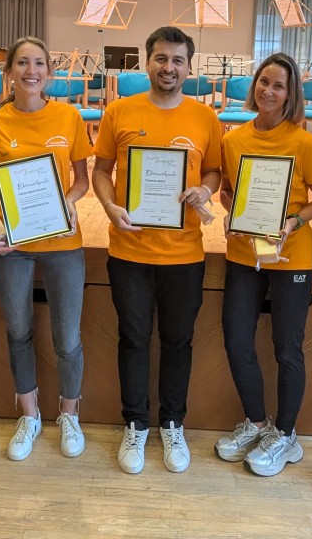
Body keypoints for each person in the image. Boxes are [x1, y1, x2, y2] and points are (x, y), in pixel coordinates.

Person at [92, 25, 223, 475]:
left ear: (189, 67)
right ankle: (135, 424)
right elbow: (101, 170)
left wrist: (205, 191)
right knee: (132, 339)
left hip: (184, 254)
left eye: (178, 60)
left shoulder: (205, 117)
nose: (169, 67)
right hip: (129, 250)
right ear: (146, 62)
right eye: (161, 58)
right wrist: (109, 206)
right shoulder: (119, 111)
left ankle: (172, 423)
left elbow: (214, 172)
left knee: (178, 341)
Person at [0, 37, 92, 461]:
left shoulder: (69, 117)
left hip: (63, 242)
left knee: (68, 337)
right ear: (9, 72)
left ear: (49, 73)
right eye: (22, 63)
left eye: (39, 63)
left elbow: (82, 180)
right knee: (18, 331)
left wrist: (70, 202)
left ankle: (69, 415)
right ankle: (29, 414)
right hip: (13, 248)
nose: (31, 71)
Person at [215, 53, 312, 476]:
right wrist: (230, 212)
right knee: (237, 341)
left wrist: (295, 221)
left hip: (289, 256)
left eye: (278, 85)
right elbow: (227, 190)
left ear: (290, 94)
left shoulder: (304, 143)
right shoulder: (233, 140)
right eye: (264, 82)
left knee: (287, 348)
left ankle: (285, 434)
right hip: (244, 255)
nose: (268, 90)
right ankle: (257, 423)